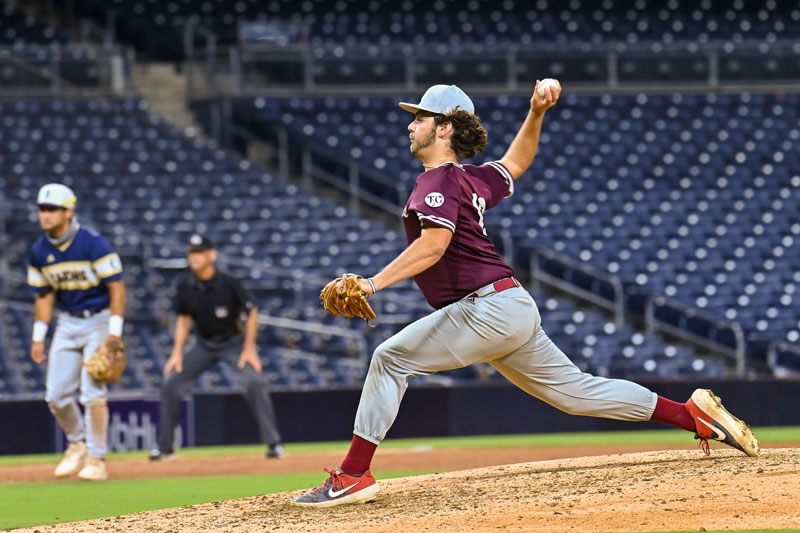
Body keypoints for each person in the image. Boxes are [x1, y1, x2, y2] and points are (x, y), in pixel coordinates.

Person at [292, 82, 759, 507]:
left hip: (486, 309)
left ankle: (353, 474)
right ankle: (691, 415)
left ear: (444, 127)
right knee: (576, 392)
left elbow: (434, 245)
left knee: (390, 360)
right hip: (508, 305)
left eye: (420, 117)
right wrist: (535, 112)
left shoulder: (436, 180)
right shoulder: (470, 180)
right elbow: (516, 163)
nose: (410, 124)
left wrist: (372, 282)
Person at [150, 234, 284, 460]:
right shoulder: (185, 283)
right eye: (192, 253)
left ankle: (274, 444)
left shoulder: (229, 283)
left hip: (233, 343)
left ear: (212, 255)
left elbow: (251, 313)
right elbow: (183, 319)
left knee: (253, 382)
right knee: (171, 384)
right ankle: (165, 448)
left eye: (200, 252)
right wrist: (176, 353)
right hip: (203, 344)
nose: (195, 257)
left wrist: (249, 349)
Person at [28, 183, 126, 481]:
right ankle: (77, 443)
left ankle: (97, 459)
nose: (44, 215)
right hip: (68, 322)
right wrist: (38, 336)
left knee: (93, 391)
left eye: (51, 209)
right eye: (42, 209)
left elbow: (116, 288)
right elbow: (44, 295)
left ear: (68, 211)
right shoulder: (39, 251)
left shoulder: (92, 242)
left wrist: (114, 333)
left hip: (98, 319)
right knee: (56, 395)